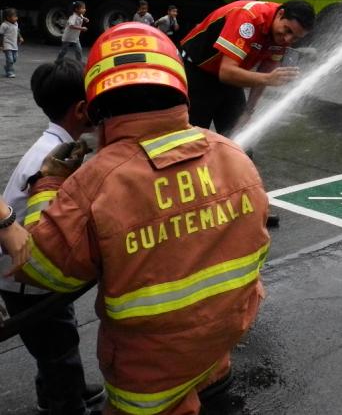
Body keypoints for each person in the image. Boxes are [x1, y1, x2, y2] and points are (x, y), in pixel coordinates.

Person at [16, 21, 270, 415]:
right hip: (216, 355)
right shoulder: (234, 157)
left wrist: (48, 187)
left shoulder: (97, 182)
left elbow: (42, 269)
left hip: (148, 383)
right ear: (178, 87)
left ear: (97, 103)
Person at [1, 59, 104, 415]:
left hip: (29, 278)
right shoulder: (47, 159)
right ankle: (64, 401)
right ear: (81, 108)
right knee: (57, 344)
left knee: (58, 337)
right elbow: (48, 227)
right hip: (28, 282)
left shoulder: (56, 144)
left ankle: (63, 387)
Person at [179, 0, 314, 136]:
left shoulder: (282, 33)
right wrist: (268, 78)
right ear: (280, 14)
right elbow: (226, 73)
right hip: (197, 71)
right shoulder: (248, 18)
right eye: (287, 30)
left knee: (239, 138)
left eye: (295, 38)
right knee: (194, 140)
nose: (287, 39)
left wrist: (248, 111)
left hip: (233, 74)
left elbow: (266, 70)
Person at [1, 7, 23, 78]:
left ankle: (7, 67)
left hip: (14, 45)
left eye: (17, 16)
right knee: (10, 59)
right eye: (15, 17)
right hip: (7, 45)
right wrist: (1, 45)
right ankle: (10, 72)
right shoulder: (4, 25)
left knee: (14, 58)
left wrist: (20, 37)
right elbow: (1, 35)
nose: (16, 18)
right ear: (8, 17)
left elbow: (17, 31)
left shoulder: (16, 23)